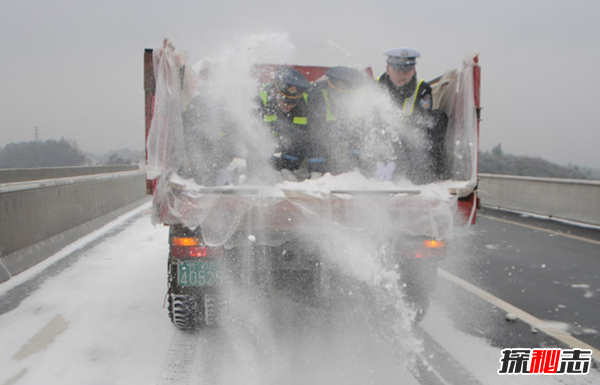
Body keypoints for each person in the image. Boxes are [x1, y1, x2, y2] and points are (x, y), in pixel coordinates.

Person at [378, 47, 448, 183]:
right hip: (380, 148)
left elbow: (420, 128)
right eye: (397, 70)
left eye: (406, 71)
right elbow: (370, 124)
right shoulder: (375, 87)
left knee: (438, 118)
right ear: (388, 69)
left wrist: (397, 161)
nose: (401, 75)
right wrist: (379, 159)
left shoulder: (422, 90)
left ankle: (429, 177)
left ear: (414, 70)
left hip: (408, 150)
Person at [307, 66, 367, 175]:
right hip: (323, 145)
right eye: (337, 95)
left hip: (344, 146)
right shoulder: (317, 95)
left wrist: (355, 166)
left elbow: (359, 132)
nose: (340, 99)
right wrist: (317, 170)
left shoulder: (361, 101)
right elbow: (315, 134)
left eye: (345, 96)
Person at [258, 66, 312, 174]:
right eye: (284, 100)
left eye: (293, 102)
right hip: (262, 151)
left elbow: (307, 136)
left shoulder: (306, 101)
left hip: (290, 153)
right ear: (275, 91)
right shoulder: (259, 99)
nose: (288, 105)